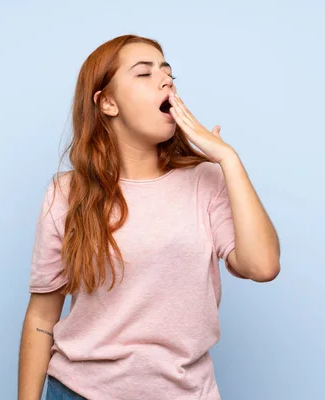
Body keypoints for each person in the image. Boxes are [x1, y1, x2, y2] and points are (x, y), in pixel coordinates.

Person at [17, 34, 281, 400]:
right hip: (79, 391)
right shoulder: (66, 193)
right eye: (144, 73)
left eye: (168, 72)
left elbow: (263, 266)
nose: (165, 80)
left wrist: (228, 160)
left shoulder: (207, 180)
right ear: (108, 103)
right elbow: (41, 319)